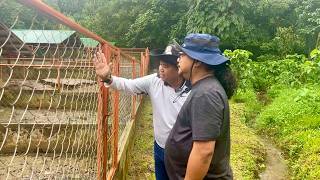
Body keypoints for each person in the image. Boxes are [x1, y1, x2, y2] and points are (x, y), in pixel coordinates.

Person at [94, 44, 190, 180]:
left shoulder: (192, 92)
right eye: (160, 64)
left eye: (166, 66)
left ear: (179, 68)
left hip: (182, 153)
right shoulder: (155, 81)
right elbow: (129, 85)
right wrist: (108, 78)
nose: (161, 69)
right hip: (159, 147)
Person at [165, 33, 237, 179]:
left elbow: (204, 152)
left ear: (197, 61)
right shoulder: (204, 88)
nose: (178, 58)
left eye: (182, 54)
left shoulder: (206, 94)